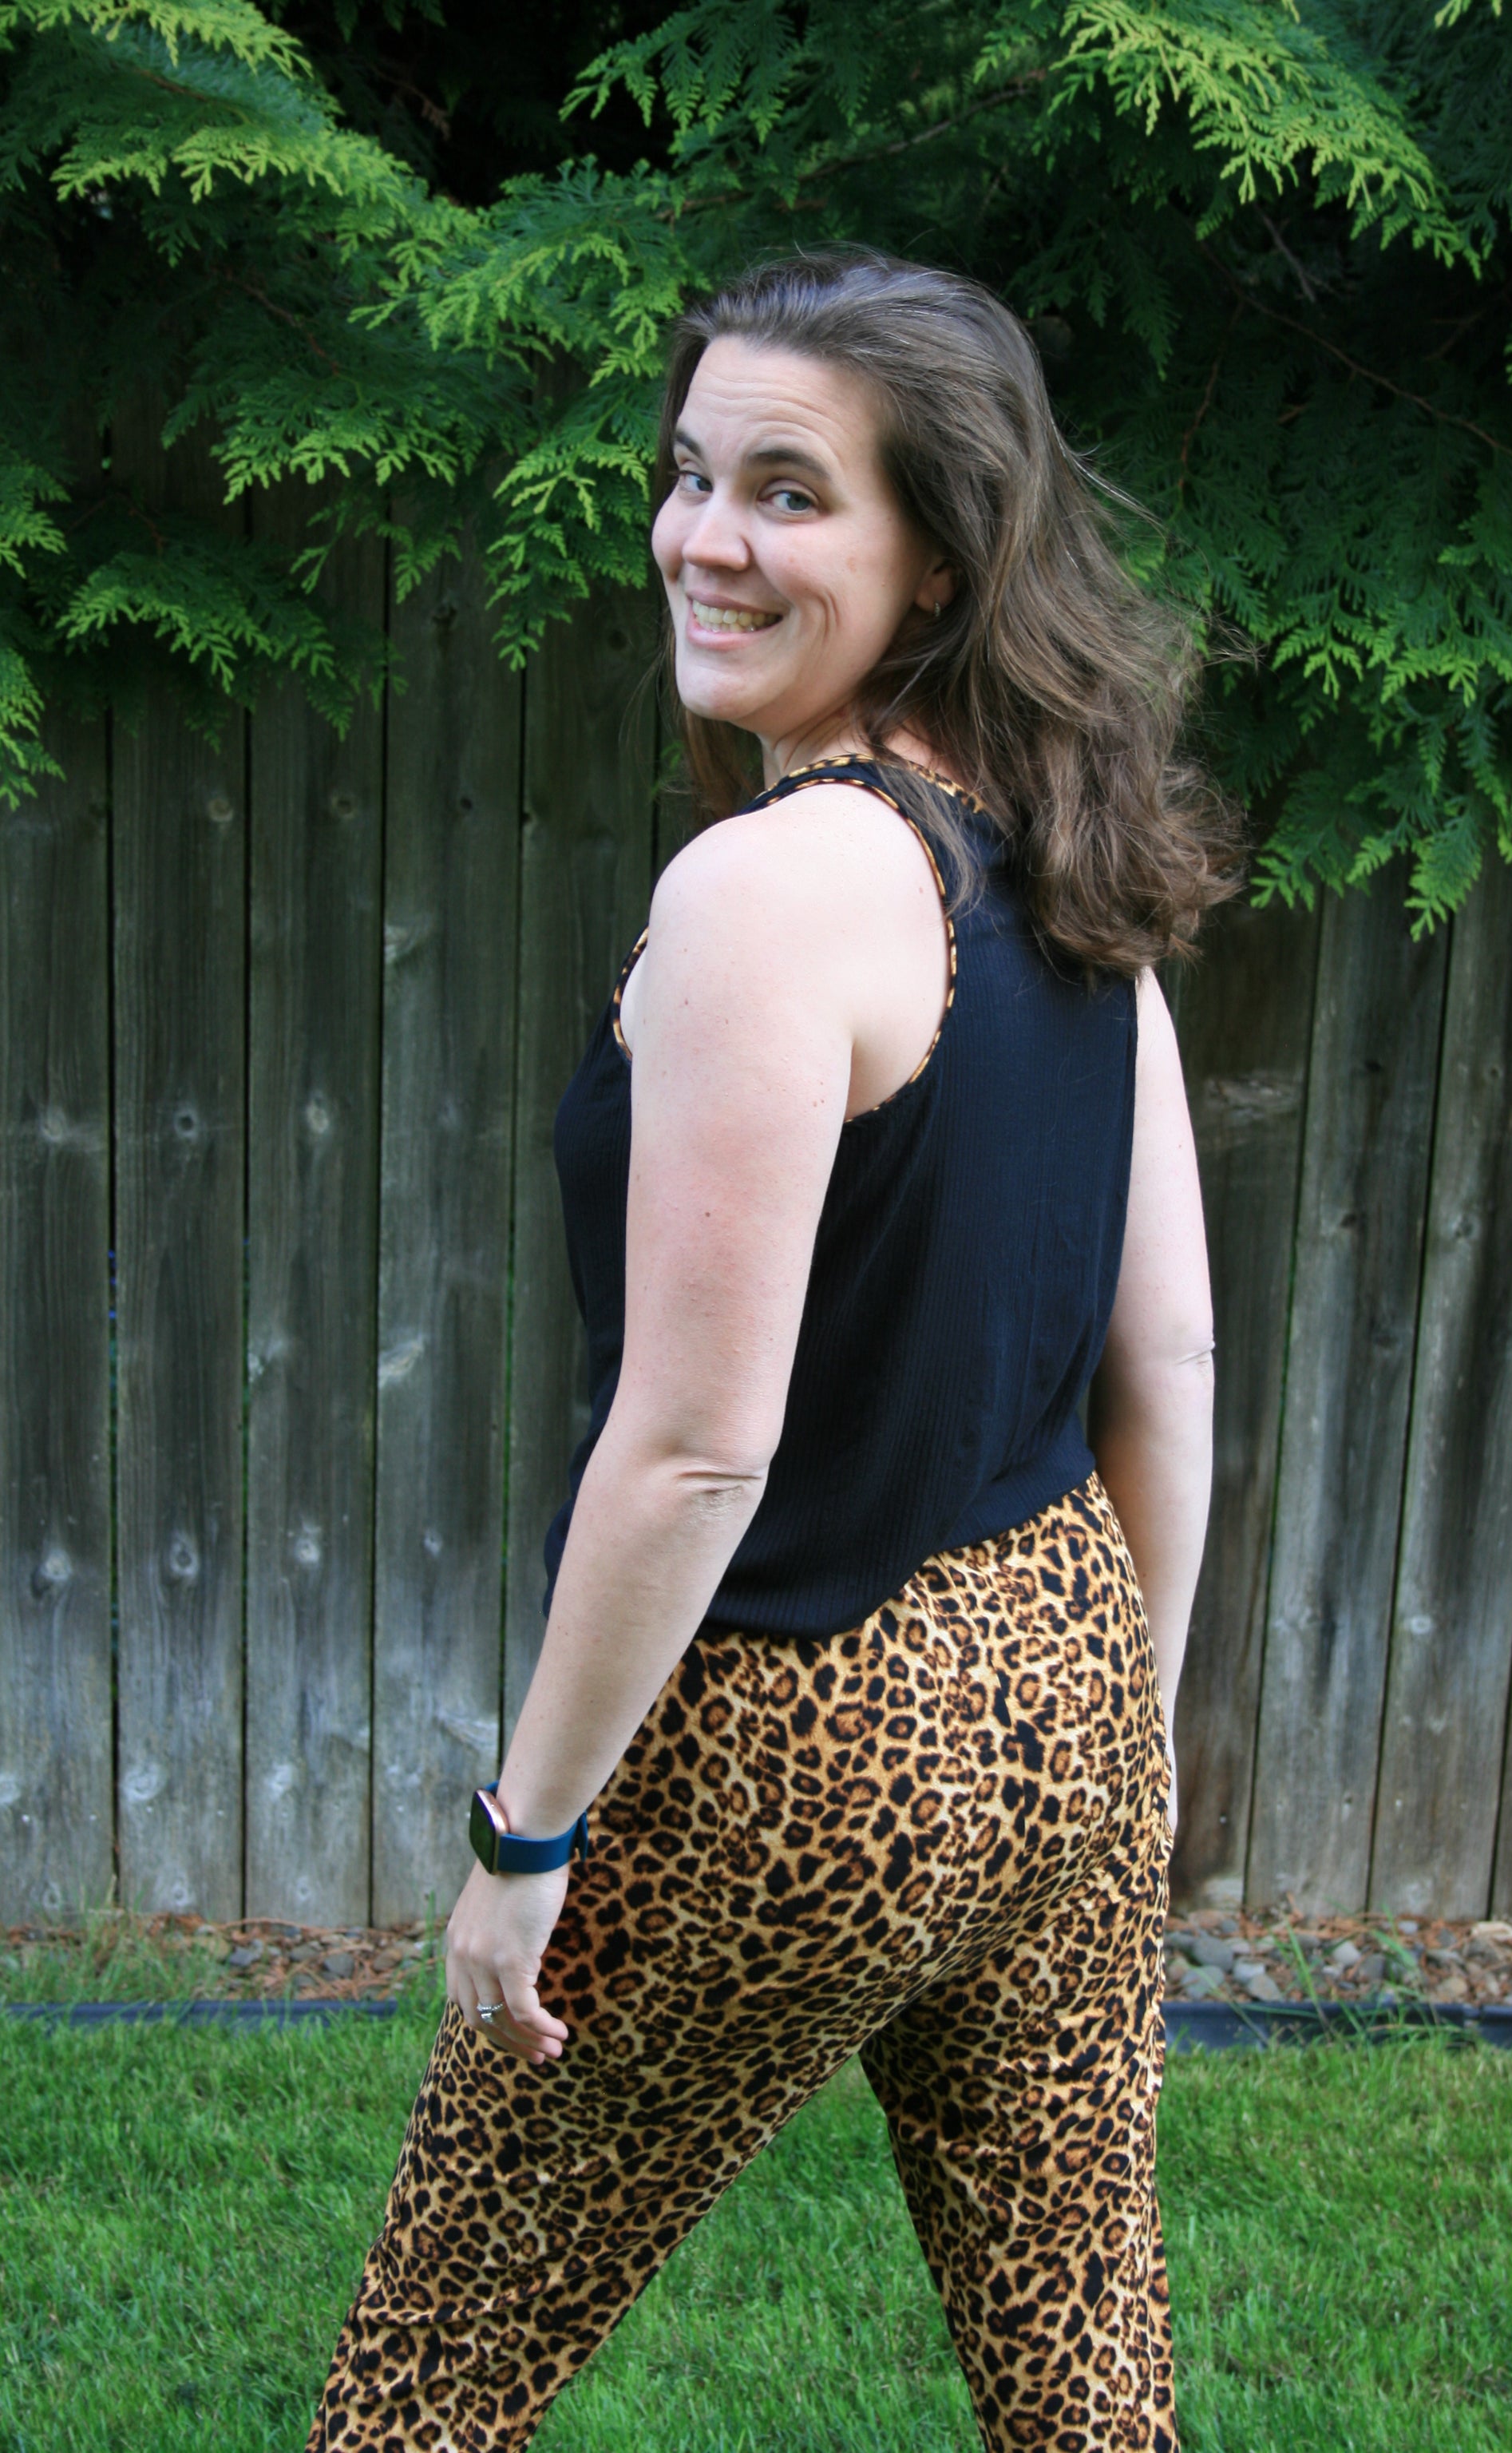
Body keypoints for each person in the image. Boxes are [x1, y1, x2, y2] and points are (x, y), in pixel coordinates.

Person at [308, 249, 1232, 2453]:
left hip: (792, 1729)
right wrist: (1131, 1748)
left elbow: (698, 1452)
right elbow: (1174, 1357)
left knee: (431, 2378)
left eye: (791, 493)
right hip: (1067, 1664)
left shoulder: (771, 888)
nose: (704, 539)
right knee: (1085, 2374)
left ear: (942, 554)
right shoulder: (1067, 845)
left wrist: (525, 1841)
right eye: (692, 473)